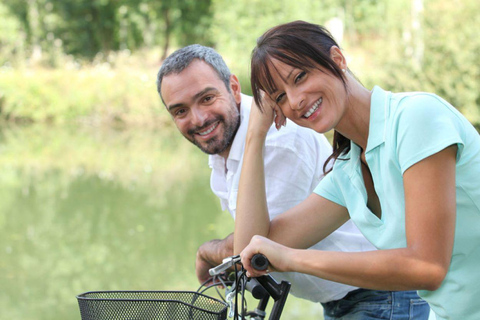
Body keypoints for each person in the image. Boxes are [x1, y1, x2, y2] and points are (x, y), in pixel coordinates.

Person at [156, 44, 430, 320]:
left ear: (234, 88)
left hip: (382, 296)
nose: (199, 118)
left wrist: (207, 253)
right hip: (350, 300)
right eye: (180, 111)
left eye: (206, 98)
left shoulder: (278, 140)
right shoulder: (226, 143)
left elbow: (252, 250)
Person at [236, 20, 480, 320]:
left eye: (300, 76)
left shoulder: (415, 119)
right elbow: (249, 250)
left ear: (337, 60)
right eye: (280, 97)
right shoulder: (348, 170)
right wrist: (254, 137)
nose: (296, 100)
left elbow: (428, 267)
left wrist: (293, 259)